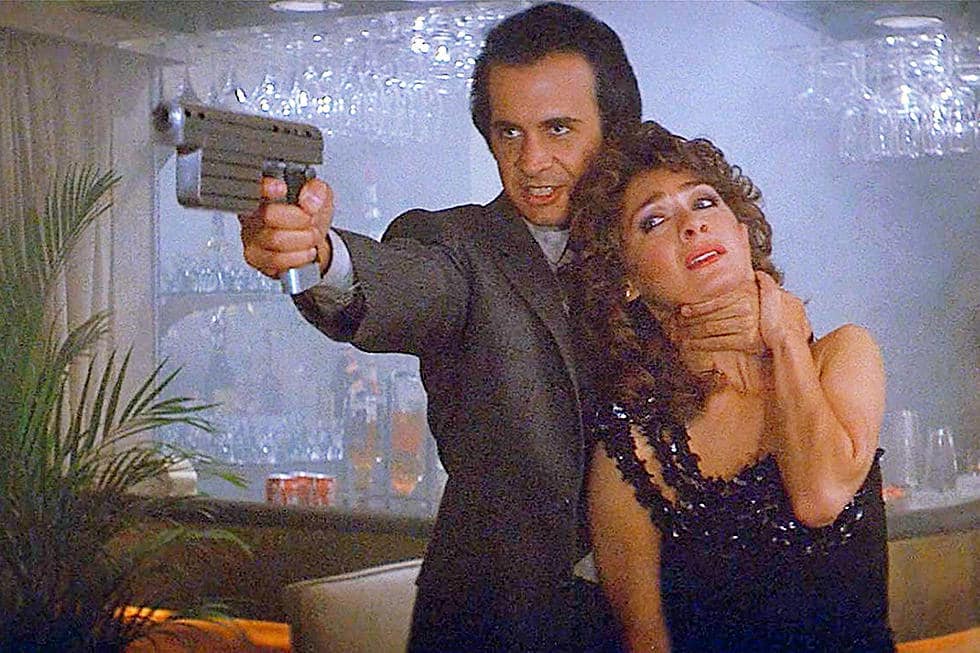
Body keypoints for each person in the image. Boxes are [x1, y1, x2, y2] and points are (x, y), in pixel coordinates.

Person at [239, 4, 757, 650]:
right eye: (509, 133)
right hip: (497, 629)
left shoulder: (665, 248)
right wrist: (319, 256)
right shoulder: (459, 248)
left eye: (558, 129)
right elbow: (408, 284)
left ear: (615, 132)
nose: (531, 161)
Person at [569, 122, 895, 652]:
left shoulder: (842, 354)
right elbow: (646, 642)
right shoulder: (633, 452)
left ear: (742, 234)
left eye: (704, 202)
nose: (691, 225)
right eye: (654, 221)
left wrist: (783, 336)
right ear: (625, 279)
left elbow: (819, 496)